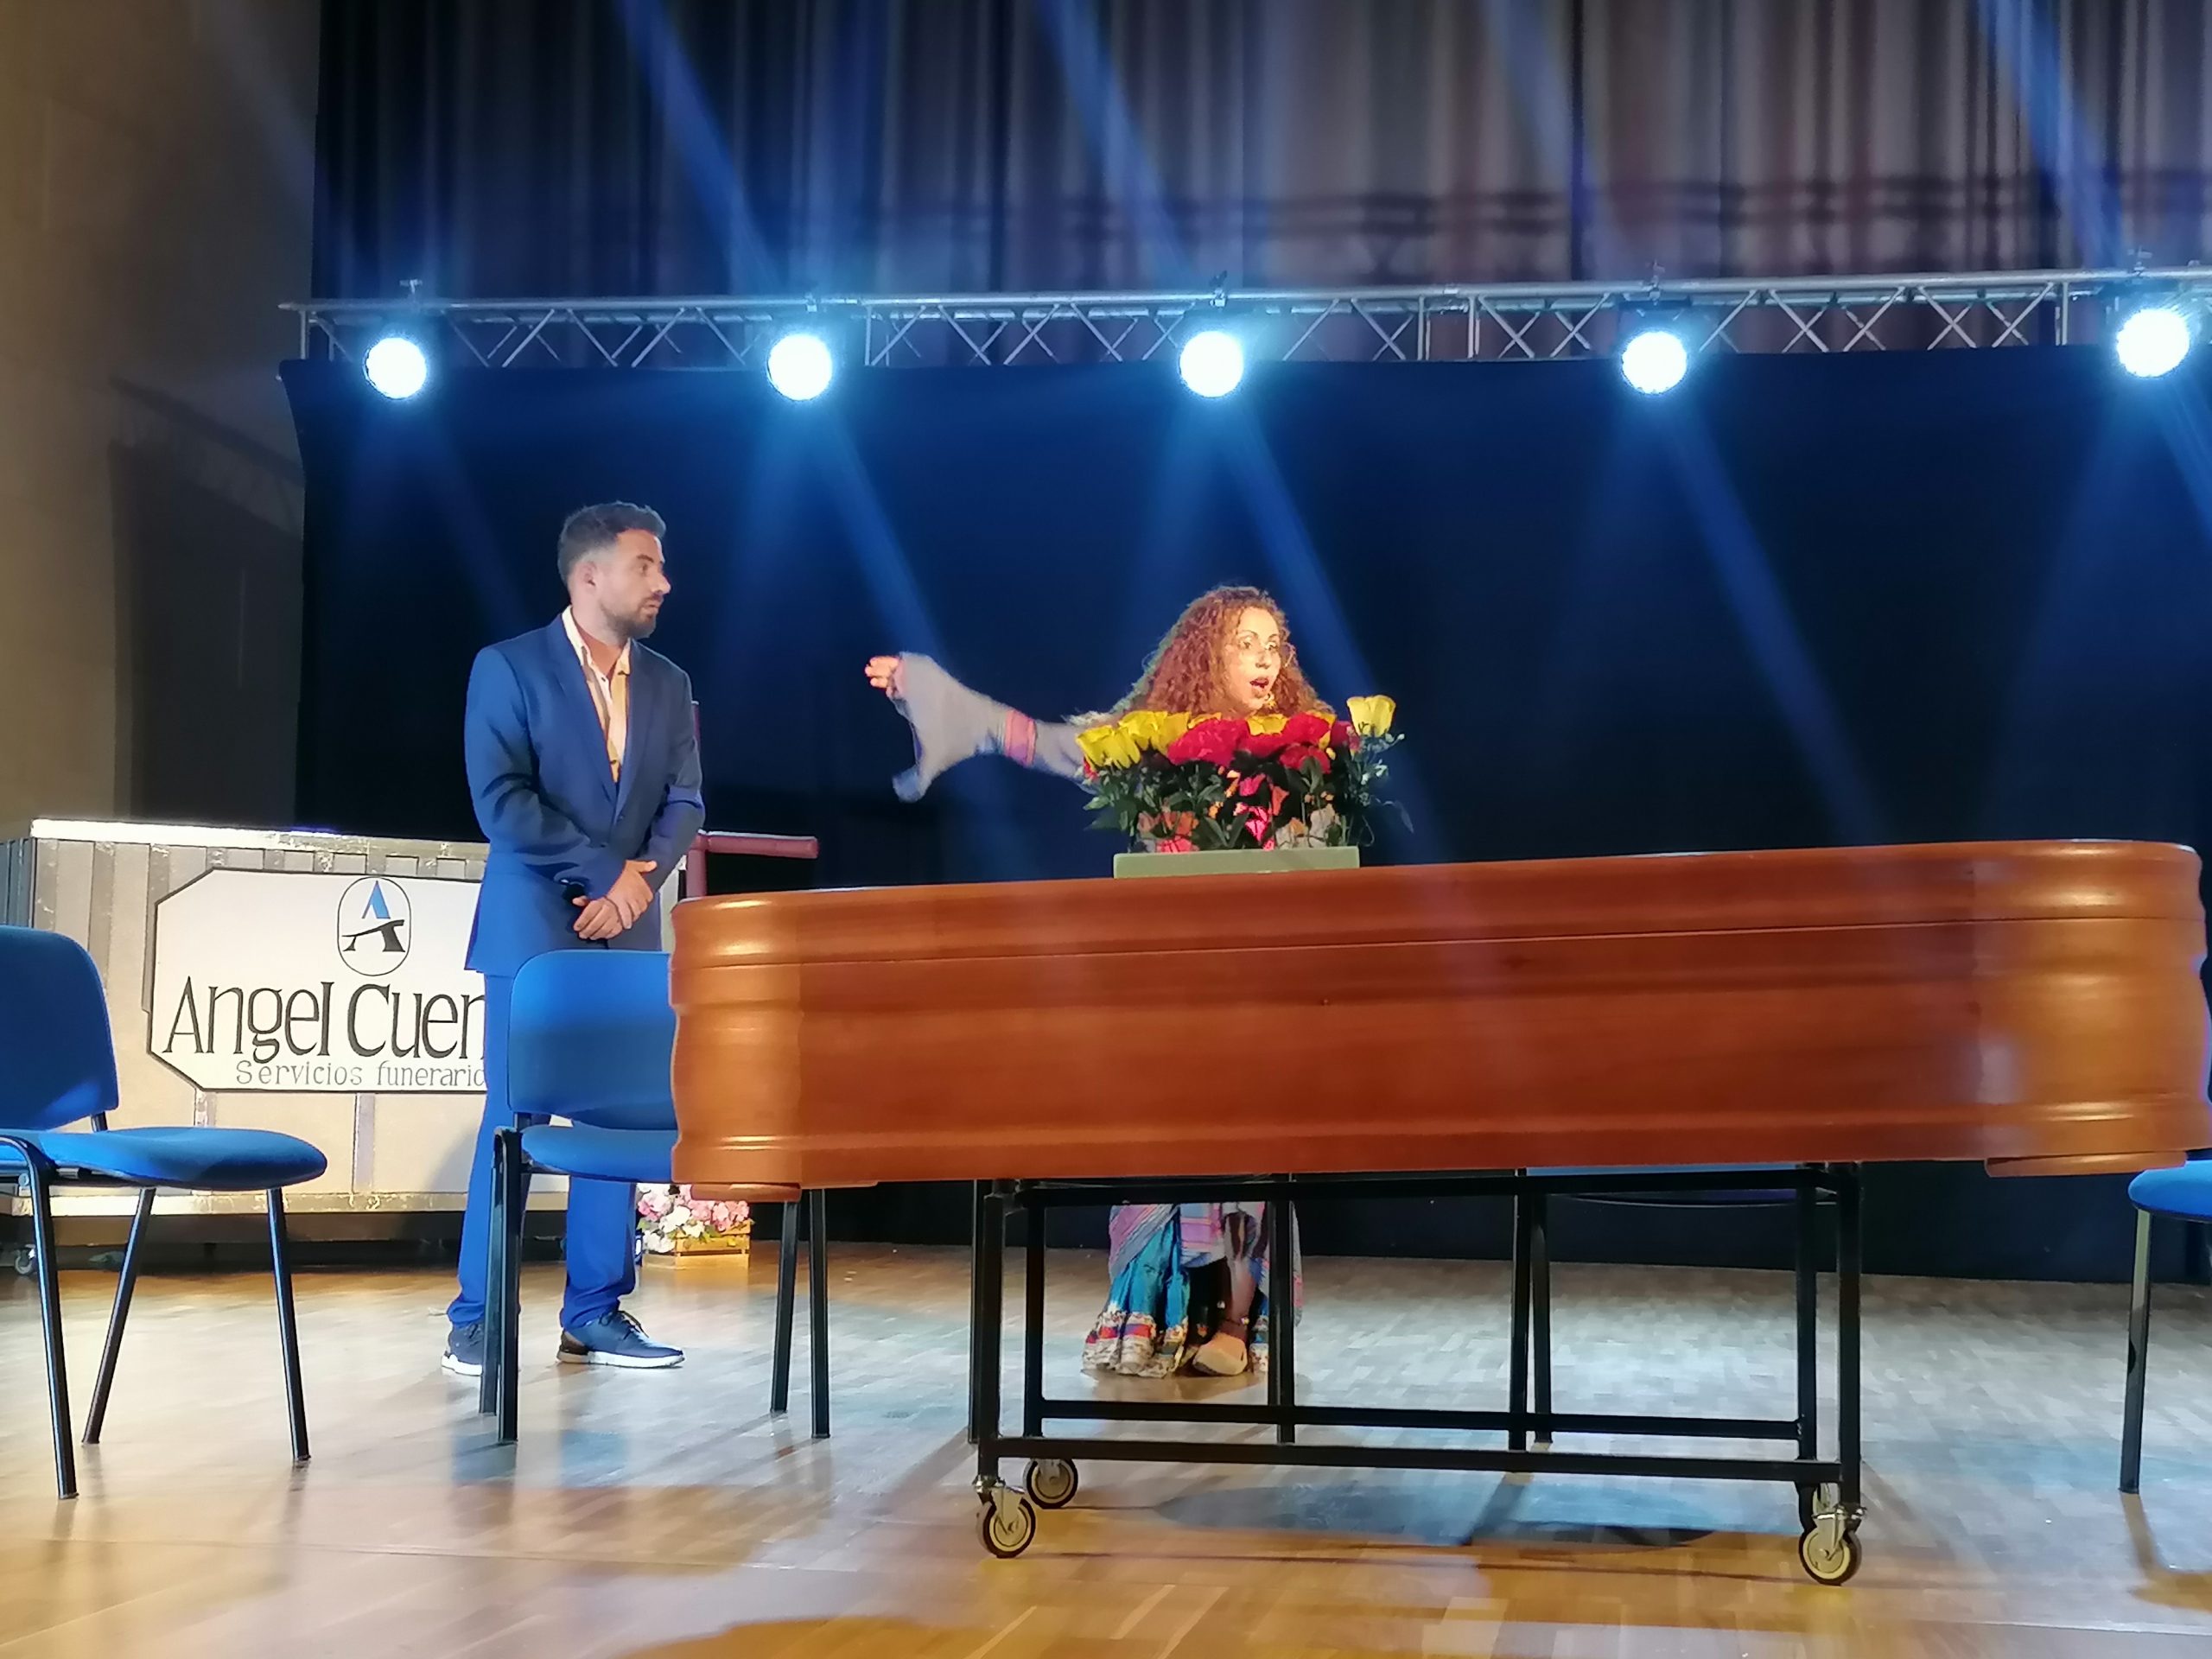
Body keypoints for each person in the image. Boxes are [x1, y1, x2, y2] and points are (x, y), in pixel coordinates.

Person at [864, 586, 1311, 1377]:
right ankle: (1152, 1308)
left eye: (1273, 644)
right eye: (1244, 643)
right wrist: (932, 691)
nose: (1264, 660)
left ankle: (1237, 1323)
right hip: (1166, 982)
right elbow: (1036, 741)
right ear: (1205, 653)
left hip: (1255, 984)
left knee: (1251, 1146)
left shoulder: (1304, 750)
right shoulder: (1148, 737)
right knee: (1165, 1146)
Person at [443, 502, 704, 1376]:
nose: (663, 582)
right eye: (645, 566)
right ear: (590, 575)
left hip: (625, 931)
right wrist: (604, 874)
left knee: (614, 1117)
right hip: (533, 931)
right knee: (513, 1118)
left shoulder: (666, 681)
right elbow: (502, 799)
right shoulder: (509, 667)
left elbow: (686, 801)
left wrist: (637, 887)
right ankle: (477, 1318)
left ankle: (595, 1311)